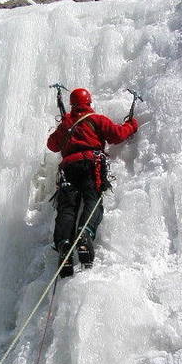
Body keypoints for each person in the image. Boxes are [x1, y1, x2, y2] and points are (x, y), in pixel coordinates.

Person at [47, 87, 138, 277]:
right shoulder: (96, 119)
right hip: (91, 164)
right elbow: (117, 135)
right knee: (92, 199)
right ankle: (85, 233)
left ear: (72, 105)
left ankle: (64, 243)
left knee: (67, 208)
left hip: (68, 168)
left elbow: (52, 145)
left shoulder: (66, 124)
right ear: (88, 103)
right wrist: (132, 124)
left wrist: (64, 127)